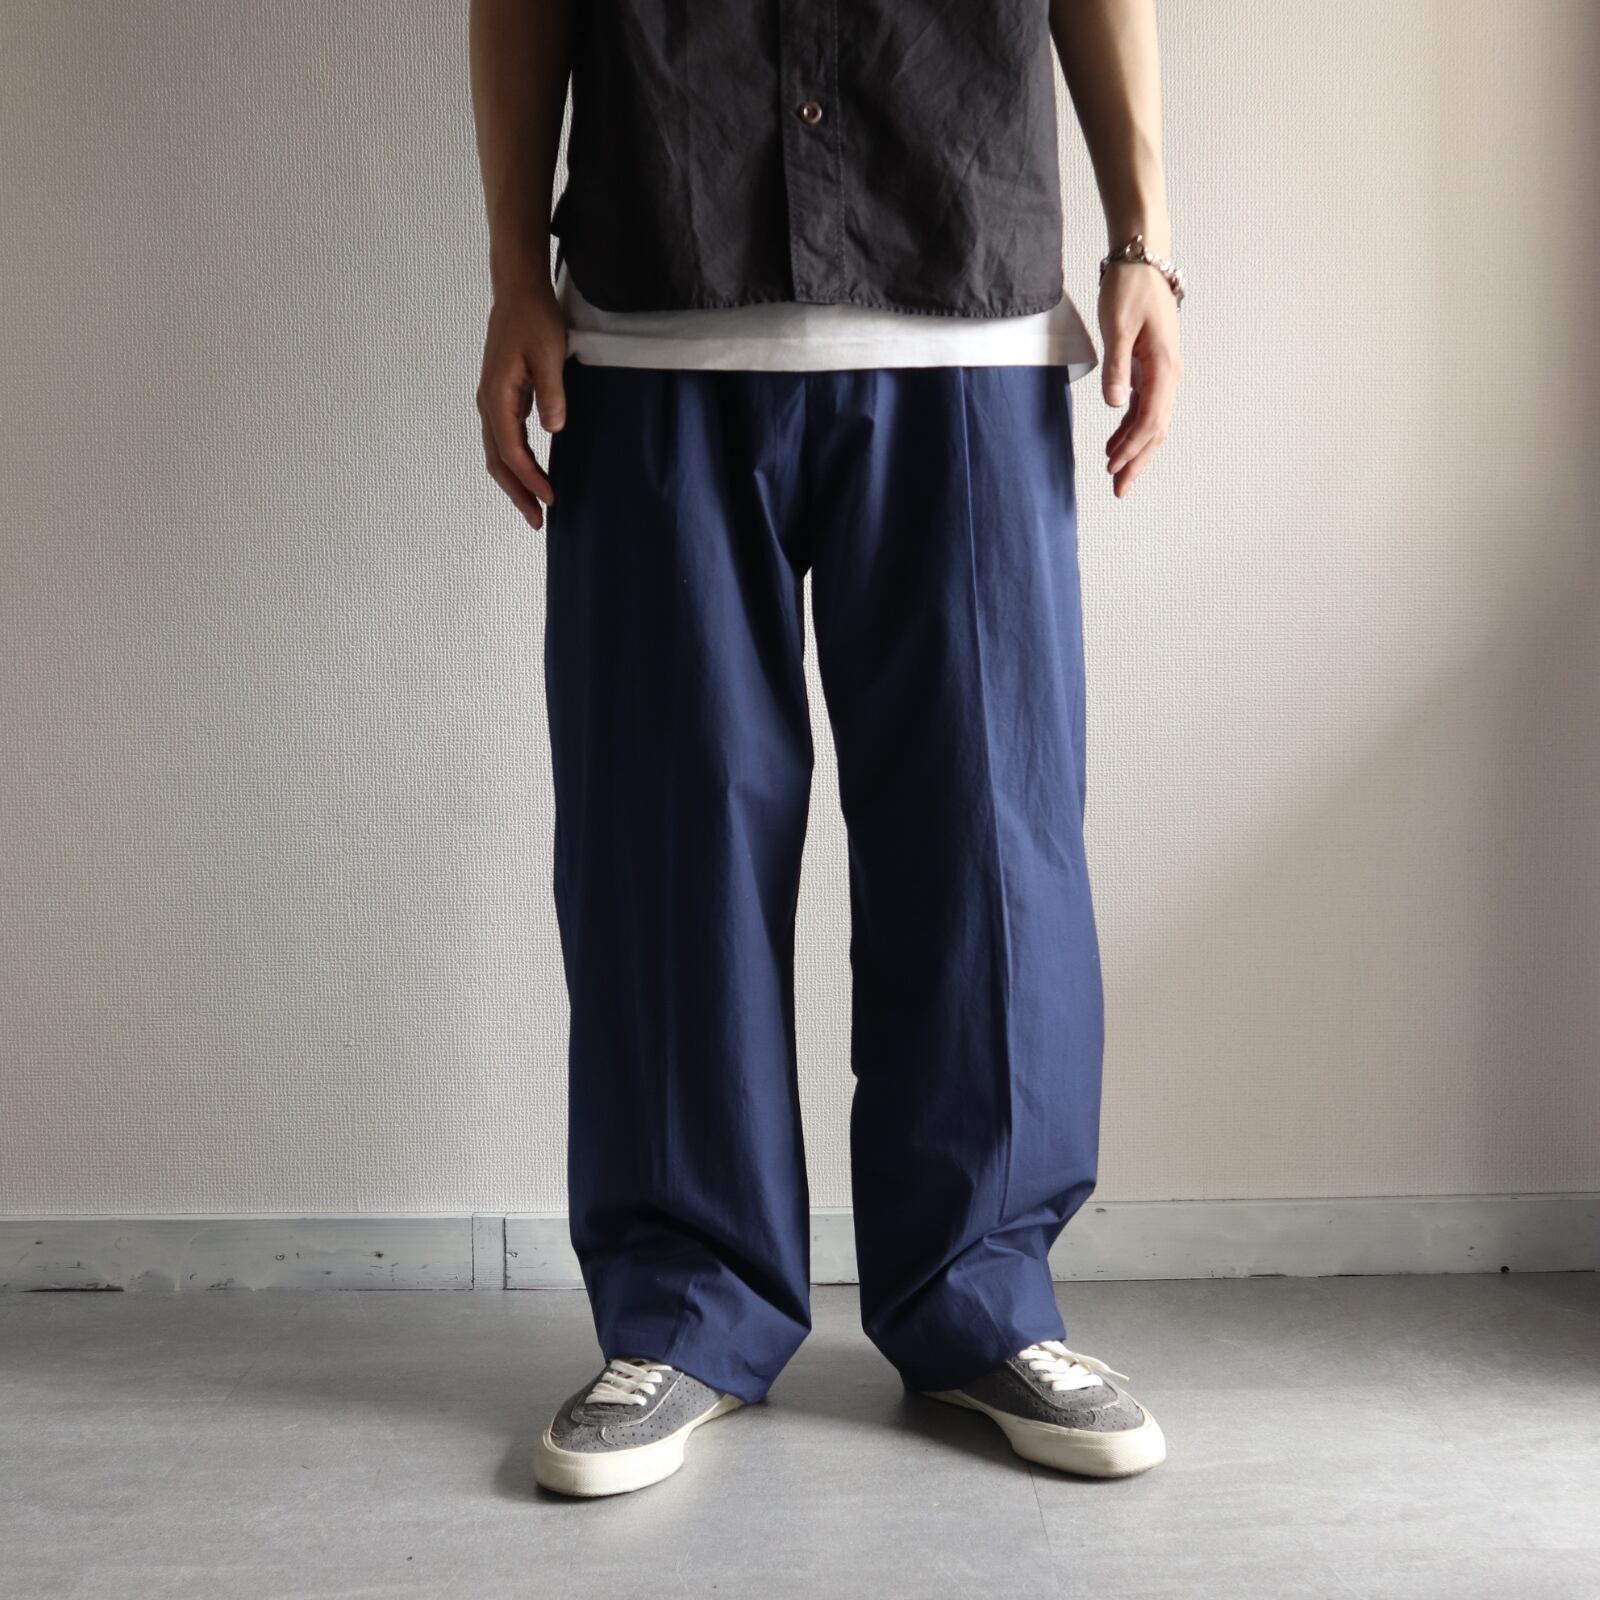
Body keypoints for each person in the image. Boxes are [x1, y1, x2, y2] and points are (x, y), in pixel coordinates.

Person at [469, 0, 1184, 1499]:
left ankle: (986, 1298)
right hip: (653, 306)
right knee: (667, 843)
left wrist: (1144, 239)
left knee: (990, 840)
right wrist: (512, 272)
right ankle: (684, 1310)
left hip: (966, 299)